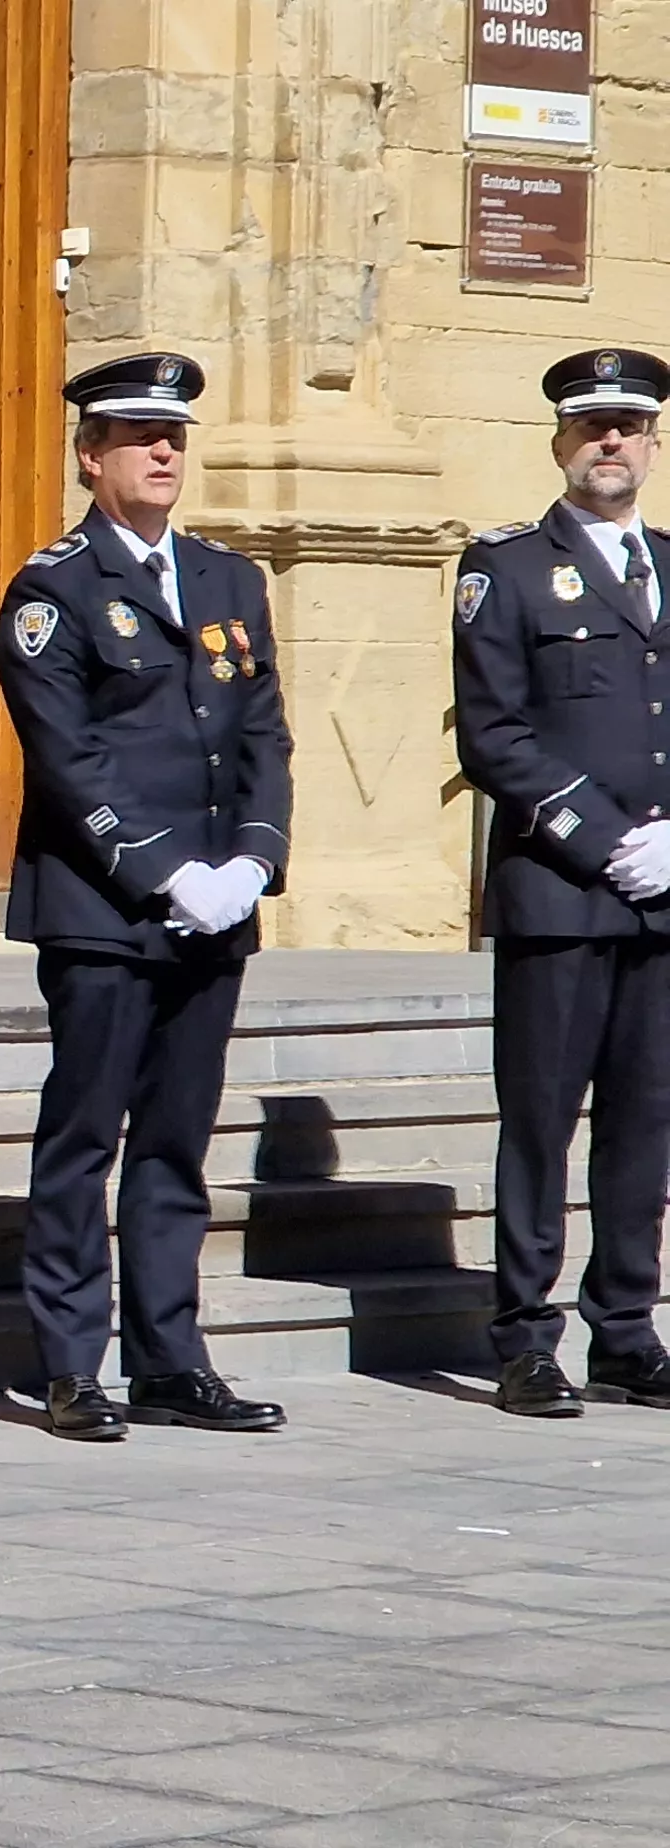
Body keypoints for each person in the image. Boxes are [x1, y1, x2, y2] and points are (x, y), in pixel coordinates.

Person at [0, 352, 292, 1442]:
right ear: (90, 457)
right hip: (106, 910)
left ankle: (170, 1357)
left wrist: (252, 861)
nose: (164, 453)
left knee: (174, 1140)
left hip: (219, 907)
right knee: (83, 1136)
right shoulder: (52, 589)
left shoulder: (225, 580)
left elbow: (261, 733)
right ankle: (72, 1365)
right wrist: (167, 871)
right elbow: (69, 762)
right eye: (137, 436)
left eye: (174, 438)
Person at [447, 346, 670, 1419]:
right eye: (592, 427)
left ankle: (624, 1328)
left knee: (645, 1119)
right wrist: (601, 837)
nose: (610, 442)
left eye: (628, 424)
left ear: (652, 440)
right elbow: (493, 732)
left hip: (665, 895)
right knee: (539, 1117)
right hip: (558, 890)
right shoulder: (506, 568)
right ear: (559, 442)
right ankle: (526, 1335)